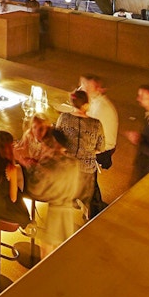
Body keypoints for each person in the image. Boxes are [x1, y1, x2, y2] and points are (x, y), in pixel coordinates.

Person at [23, 129, 82, 256]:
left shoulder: (50, 166)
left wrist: (33, 167)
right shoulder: (73, 163)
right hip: (67, 210)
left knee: (47, 250)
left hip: (55, 213)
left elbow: (36, 190)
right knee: (63, 248)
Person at [55, 89, 105, 221]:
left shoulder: (63, 118)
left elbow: (58, 141)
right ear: (86, 105)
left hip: (67, 167)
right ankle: (90, 215)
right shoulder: (96, 124)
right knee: (93, 194)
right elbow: (101, 148)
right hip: (87, 169)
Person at [79, 74, 118, 217]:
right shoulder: (95, 102)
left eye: (85, 86)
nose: (81, 89)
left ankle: (93, 208)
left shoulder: (101, 107)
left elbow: (90, 133)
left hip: (103, 149)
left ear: (97, 88)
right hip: (97, 144)